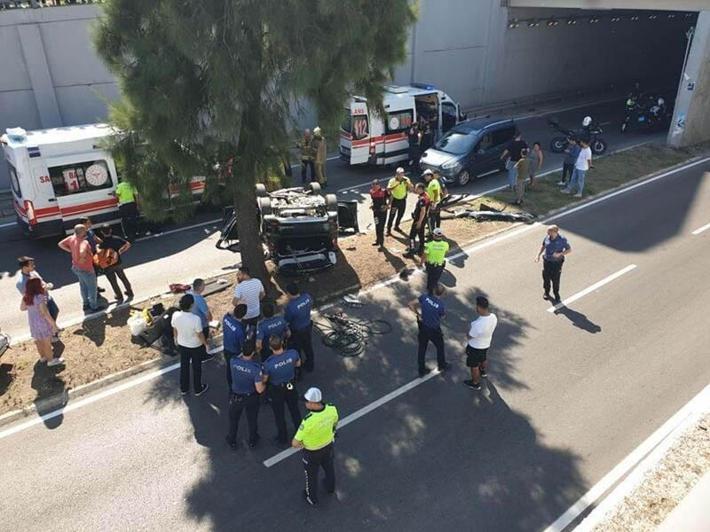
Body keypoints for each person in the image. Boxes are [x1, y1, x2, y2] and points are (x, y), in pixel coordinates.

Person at [292, 387, 339, 506]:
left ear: (313, 403)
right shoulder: (332, 408)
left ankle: (311, 497)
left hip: (312, 452)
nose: (305, 404)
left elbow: (295, 443)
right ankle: (330, 487)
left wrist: (304, 444)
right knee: (329, 468)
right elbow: (335, 423)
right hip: (328, 446)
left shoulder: (308, 421)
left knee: (311, 476)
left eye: (307, 402)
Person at [262, 336, 302, 446]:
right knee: (295, 410)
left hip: (276, 390)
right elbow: (298, 364)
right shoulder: (293, 353)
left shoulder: (268, 363)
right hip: (290, 385)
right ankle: (300, 433)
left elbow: (265, 379)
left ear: (271, 347)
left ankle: (282, 438)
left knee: (279, 414)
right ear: (282, 343)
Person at [226, 341, 265, 449]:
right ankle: (253, 440)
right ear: (253, 353)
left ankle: (231, 439)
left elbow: (239, 357)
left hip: (236, 397)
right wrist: (265, 383)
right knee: (252, 419)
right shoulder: (255, 369)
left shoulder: (233, 361)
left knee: (233, 420)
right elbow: (260, 389)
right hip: (250, 397)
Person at [58, 224, 106, 312]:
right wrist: (81, 257)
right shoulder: (84, 242)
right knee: (92, 288)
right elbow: (82, 250)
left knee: (83, 287)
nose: (86, 231)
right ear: (81, 232)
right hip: (87, 269)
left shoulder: (71, 238)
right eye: (84, 230)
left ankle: (85, 304)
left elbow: (60, 244)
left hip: (76, 267)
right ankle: (94, 307)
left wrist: (71, 251)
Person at [171, 294, 209, 396]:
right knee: (196, 368)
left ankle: (184, 388)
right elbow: (200, 334)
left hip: (182, 344)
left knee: (184, 366)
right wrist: (205, 344)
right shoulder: (195, 319)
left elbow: (174, 328)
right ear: (192, 305)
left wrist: (175, 339)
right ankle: (198, 388)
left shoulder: (175, 315)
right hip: (195, 346)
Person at [21, 278, 63, 367]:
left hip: (33, 323)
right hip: (42, 323)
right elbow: (45, 313)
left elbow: (22, 308)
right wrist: (54, 325)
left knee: (38, 341)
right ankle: (51, 360)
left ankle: (43, 357)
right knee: (47, 343)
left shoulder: (26, 297)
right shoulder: (39, 297)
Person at [15, 256, 60, 340]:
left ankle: (53, 329)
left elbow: (42, 282)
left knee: (54, 311)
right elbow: (28, 296)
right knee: (46, 317)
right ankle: (52, 334)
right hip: (40, 303)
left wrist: (46, 285)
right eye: (31, 265)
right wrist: (43, 289)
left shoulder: (34, 273)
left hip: (47, 298)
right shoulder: (21, 283)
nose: (34, 266)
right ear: (25, 267)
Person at [408, 284, 448, 377]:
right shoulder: (440, 305)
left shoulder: (424, 297)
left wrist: (418, 313)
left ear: (434, 291)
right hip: (434, 329)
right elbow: (443, 316)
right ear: (441, 294)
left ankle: (421, 370)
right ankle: (441, 365)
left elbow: (410, 304)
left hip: (423, 326)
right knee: (440, 346)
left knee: (422, 348)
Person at [463, 296, 498, 391]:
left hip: (475, 347)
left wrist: (467, 331)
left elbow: (470, 335)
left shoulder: (477, 324)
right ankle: (483, 371)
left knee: (474, 366)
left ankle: (475, 383)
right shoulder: (493, 317)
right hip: (486, 344)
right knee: (483, 358)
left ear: (479, 308)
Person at [535, 225, 572, 303]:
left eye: (549, 231)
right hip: (547, 261)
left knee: (555, 279)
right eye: (548, 231)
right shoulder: (547, 237)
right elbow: (543, 246)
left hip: (557, 263)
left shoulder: (562, 240)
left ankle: (556, 294)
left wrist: (560, 254)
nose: (547, 232)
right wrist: (538, 255)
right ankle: (547, 292)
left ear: (555, 232)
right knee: (546, 277)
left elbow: (569, 250)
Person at [97, 224, 133, 303]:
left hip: (108, 266)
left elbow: (99, 254)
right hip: (118, 262)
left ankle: (119, 296)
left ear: (102, 232)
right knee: (123, 278)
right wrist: (120, 252)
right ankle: (130, 292)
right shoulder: (116, 238)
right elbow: (128, 244)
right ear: (110, 230)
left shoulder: (102, 243)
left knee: (113, 281)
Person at [284, 283, 315, 372]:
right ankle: (310, 365)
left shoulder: (290, 307)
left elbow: (287, 320)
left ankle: (299, 369)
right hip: (308, 326)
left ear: (289, 293)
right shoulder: (307, 297)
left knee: (296, 350)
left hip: (297, 331)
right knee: (308, 347)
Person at [223, 304, 252, 388]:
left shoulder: (226, 318)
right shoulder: (240, 330)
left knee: (229, 367)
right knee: (235, 369)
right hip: (234, 352)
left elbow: (228, 313)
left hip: (226, 347)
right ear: (244, 315)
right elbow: (243, 344)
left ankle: (230, 384)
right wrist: (248, 336)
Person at [403, 183, 430, 258]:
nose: (415, 190)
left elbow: (423, 211)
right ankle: (420, 250)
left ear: (421, 189)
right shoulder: (426, 195)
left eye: (417, 188)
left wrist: (419, 222)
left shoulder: (422, 199)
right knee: (421, 234)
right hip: (424, 219)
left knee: (412, 236)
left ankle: (411, 251)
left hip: (419, 219)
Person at [423, 227, 449, 294]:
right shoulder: (446, 244)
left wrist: (421, 262)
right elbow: (445, 253)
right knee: (436, 279)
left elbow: (425, 255)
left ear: (434, 235)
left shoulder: (429, 244)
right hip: (440, 266)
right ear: (441, 236)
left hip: (430, 265)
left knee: (430, 277)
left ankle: (429, 290)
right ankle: (434, 289)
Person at [386, 168, 412, 235]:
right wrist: (396, 185)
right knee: (392, 215)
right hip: (395, 201)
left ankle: (396, 226)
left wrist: (407, 184)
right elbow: (388, 189)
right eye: (399, 174)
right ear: (396, 174)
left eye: (402, 174)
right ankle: (388, 229)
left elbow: (411, 189)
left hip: (403, 200)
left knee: (400, 214)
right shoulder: (392, 180)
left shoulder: (406, 179)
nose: (400, 176)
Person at [369, 179, 388, 248]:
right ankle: (377, 240)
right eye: (373, 185)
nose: (373, 187)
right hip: (376, 212)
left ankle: (381, 243)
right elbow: (373, 200)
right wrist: (371, 204)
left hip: (383, 212)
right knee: (377, 226)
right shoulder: (371, 192)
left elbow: (391, 197)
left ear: (379, 185)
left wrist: (387, 206)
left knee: (381, 227)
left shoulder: (384, 191)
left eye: (375, 185)